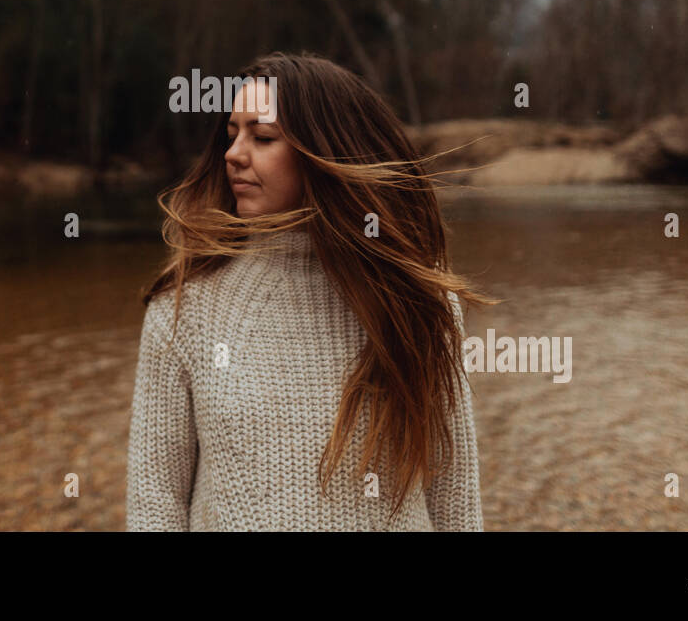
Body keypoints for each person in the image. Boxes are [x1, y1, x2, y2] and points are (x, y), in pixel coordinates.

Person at [126, 51, 499, 531]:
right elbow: (155, 502)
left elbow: (454, 494)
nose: (234, 154)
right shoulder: (183, 307)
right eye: (232, 134)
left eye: (262, 137)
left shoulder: (414, 300)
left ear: (326, 153)